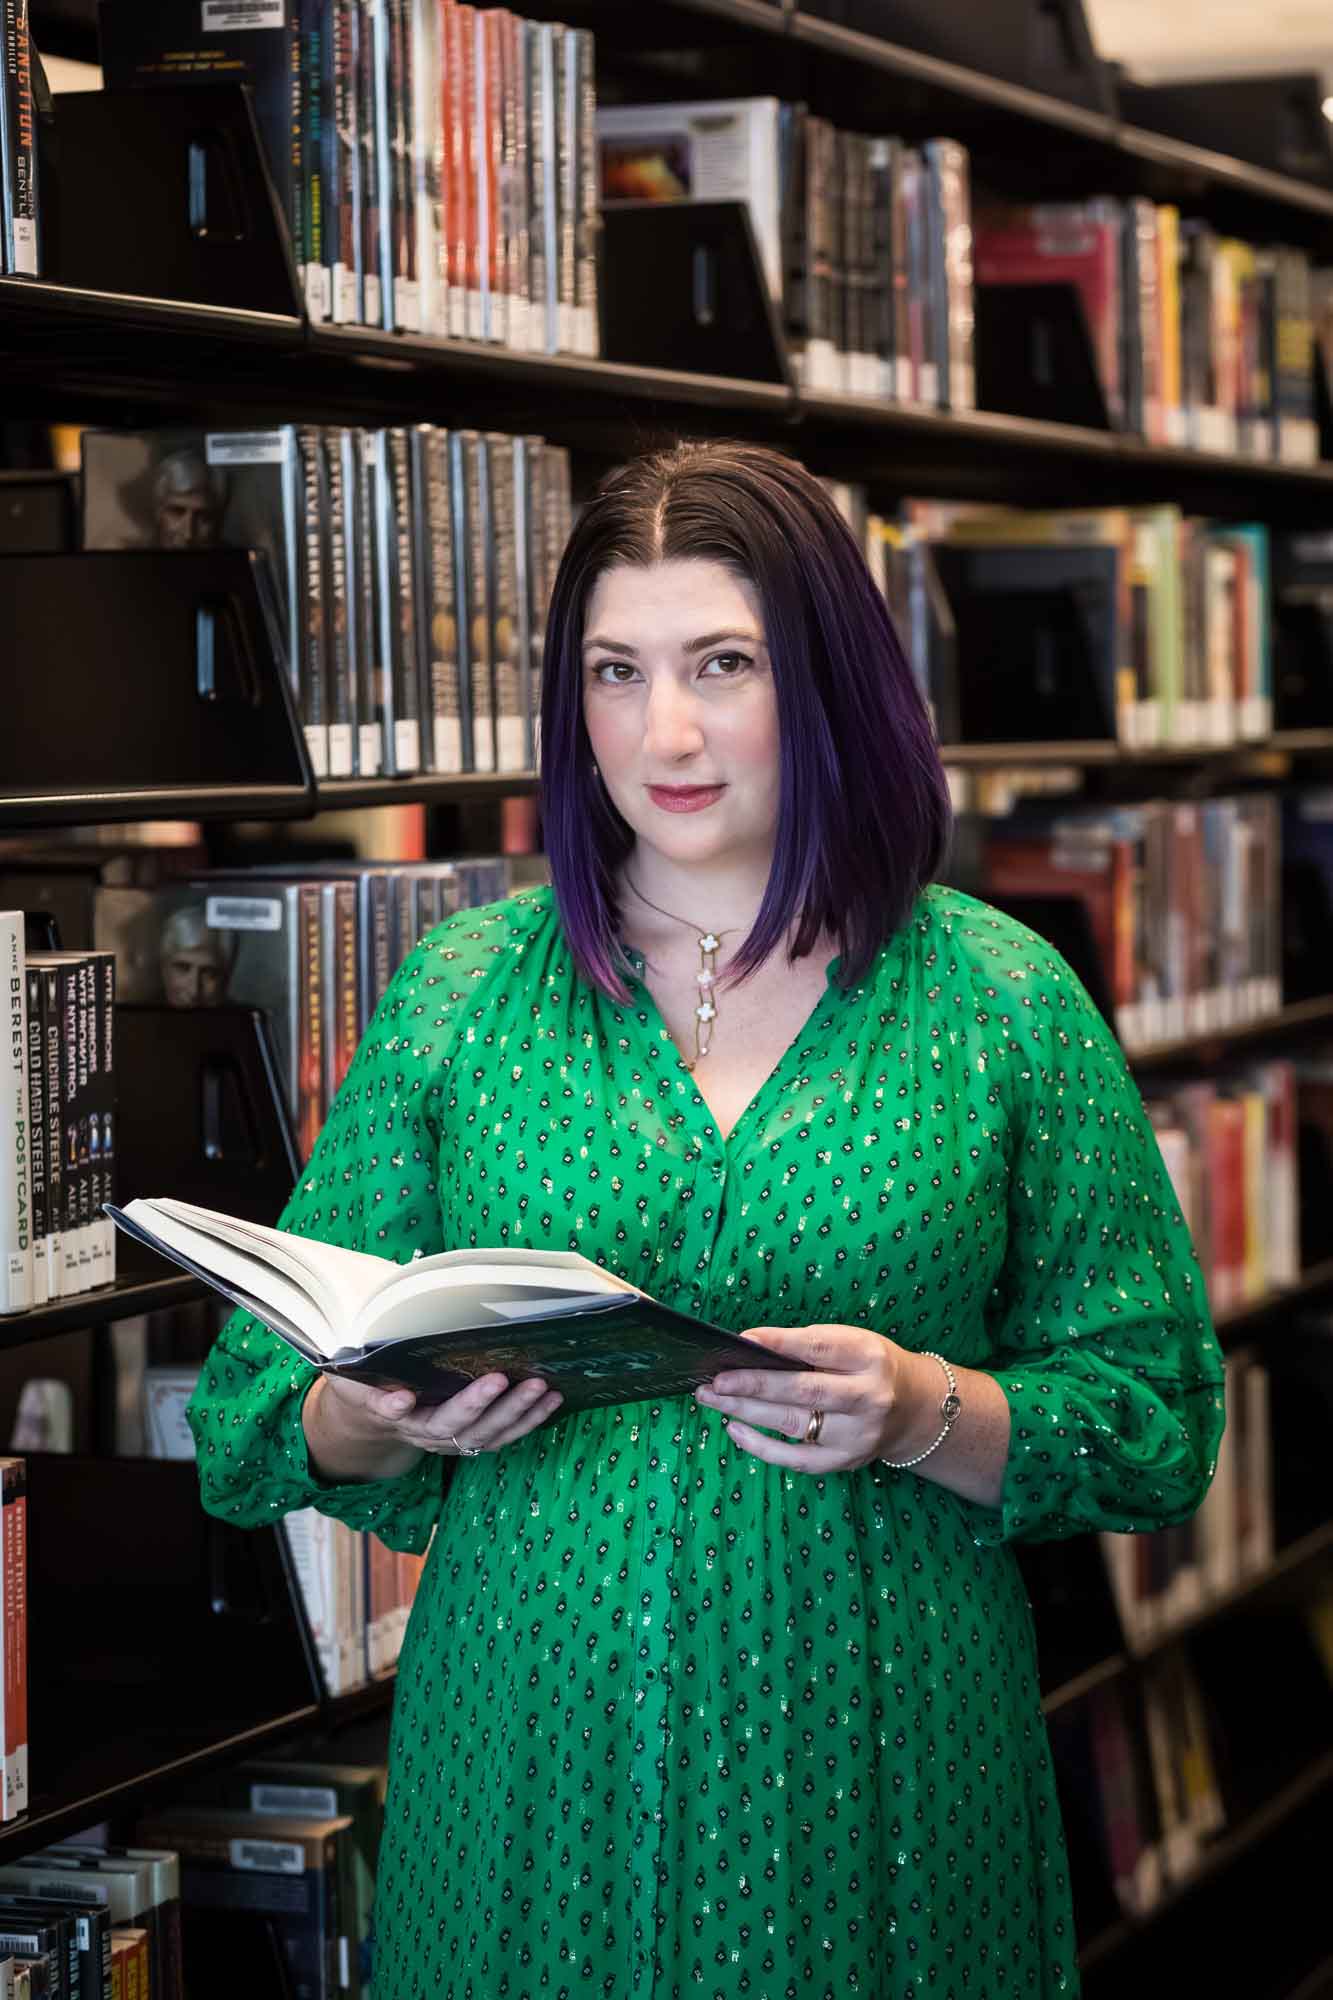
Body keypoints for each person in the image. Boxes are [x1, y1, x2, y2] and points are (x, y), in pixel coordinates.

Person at [187, 441, 1224, 2000]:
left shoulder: (1002, 1000)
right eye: (615, 670)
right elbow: (246, 1421)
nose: (660, 731)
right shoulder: (460, 997)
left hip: (885, 1762)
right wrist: (387, 1411)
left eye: (721, 664)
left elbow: (1156, 1421)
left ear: (823, 682)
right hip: (525, 1756)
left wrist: (925, 1410)